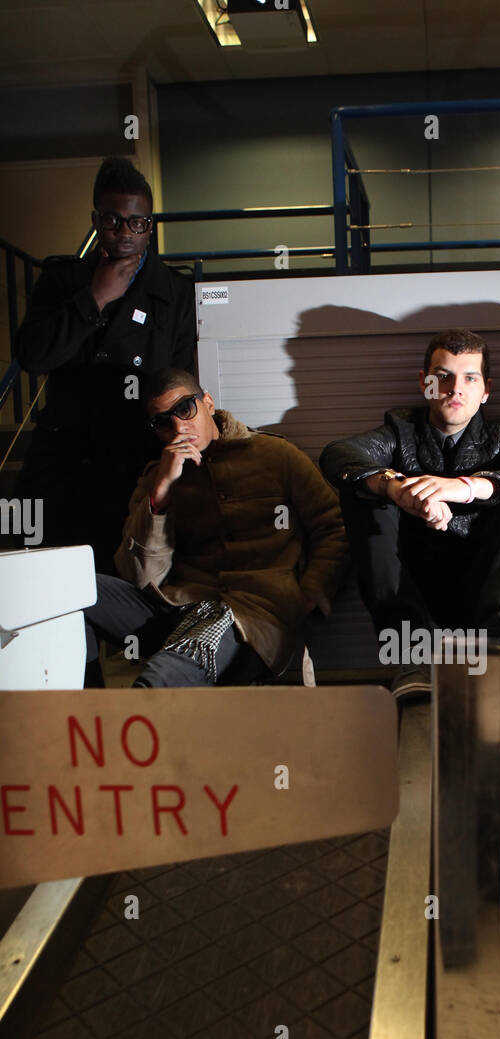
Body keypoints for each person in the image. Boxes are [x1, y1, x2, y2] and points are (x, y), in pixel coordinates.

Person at [83, 368, 349, 688]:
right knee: (68, 591)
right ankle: (83, 707)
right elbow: (139, 576)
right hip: (174, 607)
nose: (179, 427)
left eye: (185, 409)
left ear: (207, 402)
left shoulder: (276, 455)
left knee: (158, 682)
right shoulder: (158, 474)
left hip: (249, 617)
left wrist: (308, 595)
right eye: (162, 421)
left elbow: (333, 527)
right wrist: (161, 494)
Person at [319, 327, 500, 687]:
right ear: (424, 383)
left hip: (481, 587)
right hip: (413, 591)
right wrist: (398, 490)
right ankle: (415, 663)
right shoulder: (400, 429)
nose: (455, 388)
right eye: (442, 377)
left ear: (485, 390)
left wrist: (461, 488)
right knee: (364, 495)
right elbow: (337, 456)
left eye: (469, 378)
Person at [14, 157, 196, 572]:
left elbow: (179, 380)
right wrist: (94, 298)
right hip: (65, 462)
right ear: (97, 220)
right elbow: (33, 356)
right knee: (48, 586)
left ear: (150, 225)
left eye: (138, 222)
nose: (126, 233)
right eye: (114, 221)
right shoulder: (63, 281)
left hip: (133, 461)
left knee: (126, 585)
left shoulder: (175, 291)